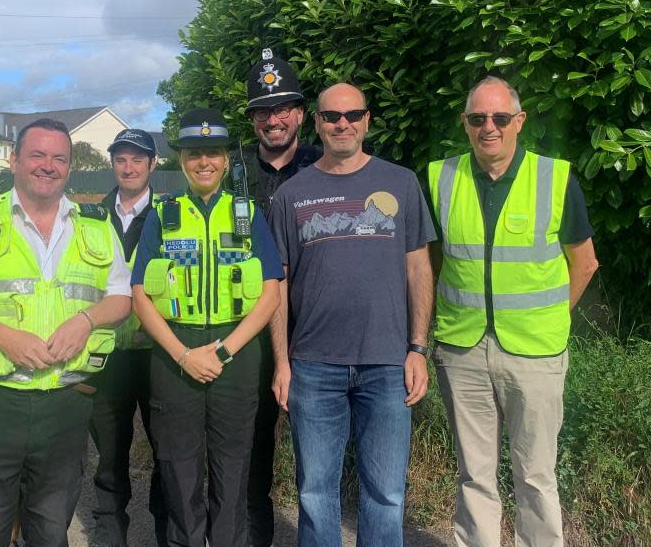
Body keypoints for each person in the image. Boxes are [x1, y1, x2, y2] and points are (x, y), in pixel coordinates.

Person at [0, 118, 133, 547]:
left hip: (65, 406)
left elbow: (121, 299)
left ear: (70, 167)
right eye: (37, 155)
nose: (48, 166)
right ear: (14, 161)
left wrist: (85, 320)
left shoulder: (96, 226)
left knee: (52, 533)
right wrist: (7, 339)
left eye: (59, 158)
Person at [427, 76, 599, 547]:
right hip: (462, 351)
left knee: (537, 477)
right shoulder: (440, 177)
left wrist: (550, 318)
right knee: (473, 477)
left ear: (519, 122)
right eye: (479, 118)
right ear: (465, 124)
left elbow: (584, 263)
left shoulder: (555, 177)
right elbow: (431, 263)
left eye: (500, 118)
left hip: (536, 353)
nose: (489, 127)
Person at [269, 82, 437, 547]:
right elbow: (277, 284)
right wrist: (282, 362)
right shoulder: (291, 195)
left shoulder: (401, 182)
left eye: (352, 115)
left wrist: (418, 348)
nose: (342, 123)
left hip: (386, 363)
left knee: (386, 494)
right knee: (315, 493)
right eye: (331, 116)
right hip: (313, 365)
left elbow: (418, 267)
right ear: (316, 123)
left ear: (367, 120)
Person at [130, 108, 283, 547]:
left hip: (234, 354)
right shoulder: (164, 214)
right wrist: (183, 355)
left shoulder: (247, 213)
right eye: (195, 153)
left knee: (233, 472)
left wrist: (222, 352)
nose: (204, 162)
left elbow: (270, 292)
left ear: (226, 159)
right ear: (181, 160)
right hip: (175, 354)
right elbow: (140, 295)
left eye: (212, 152)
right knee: (178, 472)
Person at [233, 48, 321, 547]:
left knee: (317, 468)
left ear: (301, 114)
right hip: (250, 338)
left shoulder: (325, 167)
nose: (274, 118)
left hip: (312, 335)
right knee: (251, 464)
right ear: (252, 119)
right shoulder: (232, 174)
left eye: (284, 107)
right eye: (264, 110)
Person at [88, 128, 169, 547]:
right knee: (108, 459)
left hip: (158, 355)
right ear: (112, 164)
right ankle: (109, 536)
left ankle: (166, 534)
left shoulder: (172, 216)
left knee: (167, 454)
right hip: (106, 357)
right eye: (121, 159)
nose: (129, 167)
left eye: (138, 159)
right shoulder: (92, 217)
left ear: (153, 165)